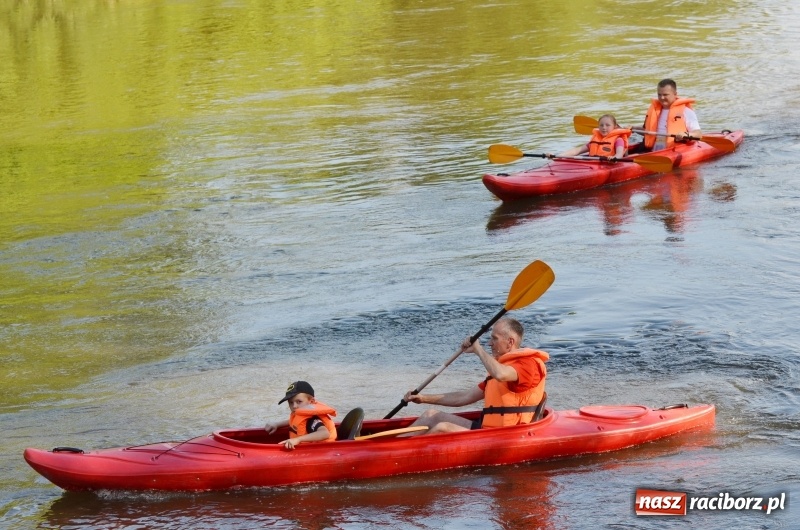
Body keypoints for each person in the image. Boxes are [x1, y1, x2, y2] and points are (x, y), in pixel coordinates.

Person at [401, 318, 549, 435]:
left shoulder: (528, 365)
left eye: (494, 339)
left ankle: (404, 457)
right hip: (487, 429)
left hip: (507, 434)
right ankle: (394, 447)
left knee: (443, 428)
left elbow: (501, 374)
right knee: (431, 415)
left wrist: (478, 349)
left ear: (510, 342)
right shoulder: (498, 369)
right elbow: (463, 397)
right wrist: (423, 398)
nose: (490, 343)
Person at [264, 380, 337, 450]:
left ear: (311, 401)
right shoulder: (301, 415)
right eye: (291, 402)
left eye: (299, 401)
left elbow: (324, 433)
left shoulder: (312, 420)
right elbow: (294, 421)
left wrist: (298, 439)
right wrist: (277, 424)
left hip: (321, 452)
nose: (294, 406)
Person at [636, 78, 701, 152]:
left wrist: (685, 134)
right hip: (654, 149)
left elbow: (698, 134)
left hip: (674, 150)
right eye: (659, 95)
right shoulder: (654, 110)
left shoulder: (686, 111)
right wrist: (632, 128)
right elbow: (647, 131)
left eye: (665, 95)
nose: (662, 98)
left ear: (675, 94)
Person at [559, 114, 630, 159]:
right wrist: (559, 156)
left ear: (614, 127)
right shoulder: (595, 140)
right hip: (594, 164)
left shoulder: (618, 140)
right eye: (601, 125)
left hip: (609, 163)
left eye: (607, 125)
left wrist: (614, 158)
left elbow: (619, 154)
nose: (604, 128)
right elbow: (577, 150)